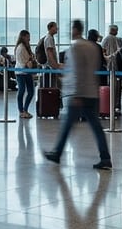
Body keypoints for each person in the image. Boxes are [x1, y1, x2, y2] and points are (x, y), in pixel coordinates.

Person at [43, 19, 111, 169]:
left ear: (75, 30)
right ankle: (105, 158)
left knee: (68, 124)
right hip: (92, 92)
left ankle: (57, 153)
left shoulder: (75, 48)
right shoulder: (92, 47)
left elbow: (76, 72)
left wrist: (75, 94)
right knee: (96, 127)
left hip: (79, 94)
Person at [13, 30, 36, 119]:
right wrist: (29, 62)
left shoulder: (26, 46)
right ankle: (21, 111)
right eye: (27, 36)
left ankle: (25, 110)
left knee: (30, 92)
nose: (29, 38)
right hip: (21, 72)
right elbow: (22, 62)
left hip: (27, 72)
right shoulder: (20, 47)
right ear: (23, 37)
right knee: (21, 91)